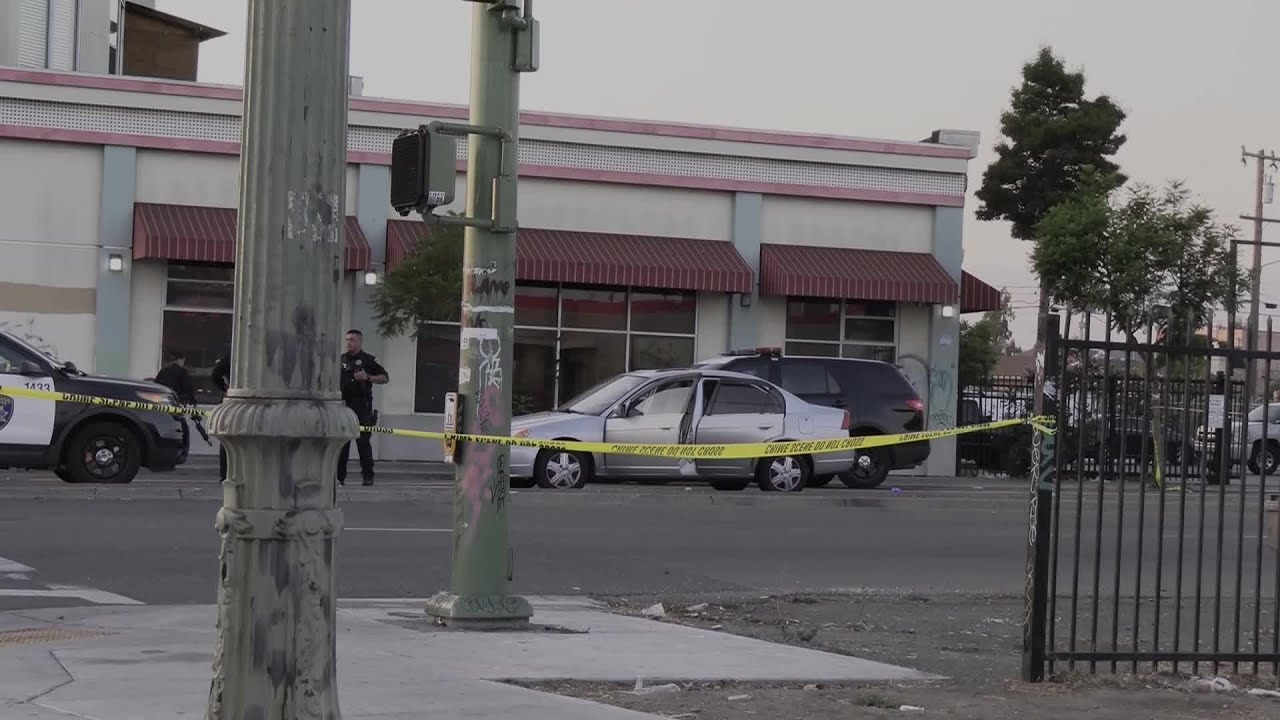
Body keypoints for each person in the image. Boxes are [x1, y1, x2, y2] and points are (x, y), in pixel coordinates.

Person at [339, 329, 388, 486]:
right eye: (347, 339)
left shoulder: (368, 360)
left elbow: (385, 378)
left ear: (360, 342)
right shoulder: (341, 360)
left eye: (352, 340)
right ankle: (340, 477)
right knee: (342, 445)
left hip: (362, 407)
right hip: (344, 407)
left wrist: (368, 377)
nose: (348, 343)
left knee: (363, 444)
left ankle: (368, 476)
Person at [211, 346, 231, 483]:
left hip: (230, 398)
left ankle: (224, 474)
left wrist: (224, 388)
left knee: (227, 438)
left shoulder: (232, 350)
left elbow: (215, 373)